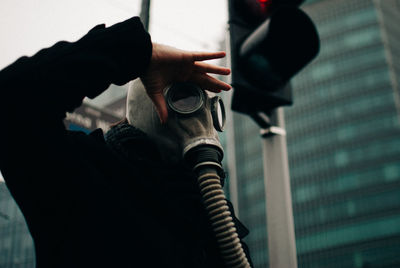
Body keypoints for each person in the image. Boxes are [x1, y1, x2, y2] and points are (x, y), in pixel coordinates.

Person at [0, 16, 251, 267]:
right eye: (185, 100)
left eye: (209, 108)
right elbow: (12, 99)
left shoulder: (217, 224)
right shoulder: (83, 176)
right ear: (149, 105)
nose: (202, 119)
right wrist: (137, 52)